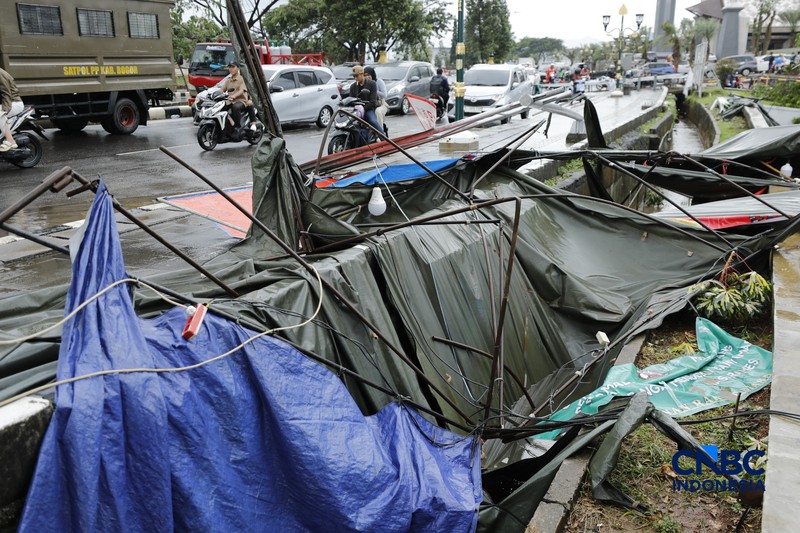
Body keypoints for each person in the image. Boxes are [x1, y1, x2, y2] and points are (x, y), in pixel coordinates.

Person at [219, 60, 257, 132]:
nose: (231, 69)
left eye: (233, 67)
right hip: (230, 101)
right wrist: (212, 95)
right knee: (220, 108)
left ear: (238, 68)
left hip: (241, 101)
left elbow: (241, 90)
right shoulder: (228, 80)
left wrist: (234, 96)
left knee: (235, 107)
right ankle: (228, 124)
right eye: (230, 67)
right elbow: (222, 89)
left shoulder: (242, 79)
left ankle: (237, 127)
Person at [349, 65, 382, 143]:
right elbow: (351, 99)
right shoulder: (353, 86)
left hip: (368, 109)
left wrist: (363, 109)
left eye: (356, 76)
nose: (355, 78)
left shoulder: (372, 84)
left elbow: (373, 101)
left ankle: (384, 140)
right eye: (354, 76)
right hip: (356, 111)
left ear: (362, 74)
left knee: (373, 121)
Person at [0, 67, 23, 152]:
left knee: (0, 113)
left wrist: (4, 110)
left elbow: (6, 93)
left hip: (14, 103)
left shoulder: (0, 73)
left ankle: (10, 140)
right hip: (7, 103)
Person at [363, 66, 389, 134]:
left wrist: (374, 89)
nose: (367, 77)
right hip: (370, 105)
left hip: (381, 104)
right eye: (365, 75)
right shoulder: (364, 83)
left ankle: (380, 134)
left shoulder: (379, 81)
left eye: (368, 75)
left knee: (378, 112)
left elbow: (384, 95)